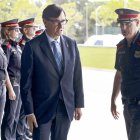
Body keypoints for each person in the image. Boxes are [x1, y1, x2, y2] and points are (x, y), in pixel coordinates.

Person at [20, 4, 84, 140]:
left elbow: (77, 76)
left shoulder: (71, 44)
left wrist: (78, 104)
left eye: (63, 21)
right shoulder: (32, 47)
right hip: (41, 110)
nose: (61, 25)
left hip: (65, 107)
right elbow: (26, 83)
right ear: (45, 21)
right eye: (56, 21)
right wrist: (29, 112)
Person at [111, 8, 140, 140]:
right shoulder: (121, 47)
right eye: (121, 24)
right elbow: (119, 75)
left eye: (128, 23)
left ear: (137, 23)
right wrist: (113, 100)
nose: (123, 27)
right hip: (127, 105)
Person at [1, 19, 22, 140]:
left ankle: (12, 137)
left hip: (19, 83)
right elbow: (5, 69)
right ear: (7, 31)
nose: (18, 32)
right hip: (12, 85)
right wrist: (10, 89)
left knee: (16, 115)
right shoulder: (6, 47)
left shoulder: (16, 46)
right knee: (10, 115)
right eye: (15, 30)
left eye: (18, 29)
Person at [17, 18, 37, 140]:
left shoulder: (32, 44)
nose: (35, 30)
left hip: (30, 82)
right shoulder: (22, 45)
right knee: (20, 112)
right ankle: (20, 135)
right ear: (25, 30)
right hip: (20, 82)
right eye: (32, 28)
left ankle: (24, 132)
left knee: (25, 111)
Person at [0, 23, 16, 140]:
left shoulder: (1, 47)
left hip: (2, 86)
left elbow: (4, 70)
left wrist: (9, 89)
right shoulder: (5, 46)